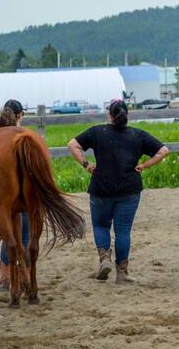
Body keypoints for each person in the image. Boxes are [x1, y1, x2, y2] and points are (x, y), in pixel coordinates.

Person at [68, 100, 170, 283]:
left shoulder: (97, 132)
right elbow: (163, 150)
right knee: (123, 230)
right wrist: (145, 165)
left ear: (110, 115)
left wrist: (86, 164)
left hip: (101, 188)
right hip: (129, 190)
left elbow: (72, 144)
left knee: (100, 226)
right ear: (127, 115)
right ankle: (122, 273)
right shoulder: (138, 135)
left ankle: (104, 259)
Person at [0, 99, 31, 291]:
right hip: (24, 195)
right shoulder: (24, 137)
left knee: (7, 236)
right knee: (24, 235)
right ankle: (24, 275)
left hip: (1, 196)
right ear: (19, 116)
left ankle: (5, 277)